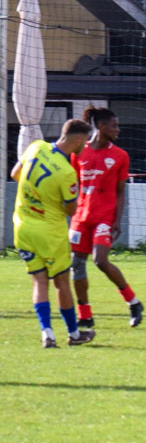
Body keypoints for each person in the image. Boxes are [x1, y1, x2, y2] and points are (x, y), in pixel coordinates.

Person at [11, 119, 92, 348]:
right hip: (50, 233)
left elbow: (15, 173)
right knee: (61, 282)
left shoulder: (36, 146)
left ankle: (47, 333)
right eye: (85, 141)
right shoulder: (67, 172)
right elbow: (71, 209)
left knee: (39, 281)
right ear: (78, 140)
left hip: (23, 226)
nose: (85, 146)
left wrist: (35, 196)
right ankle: (74, 334)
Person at [69, 105, 142, 335]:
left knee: (100, 260)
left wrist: (117, 220)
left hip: (104, 216)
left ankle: (133, 302)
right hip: (81, 217)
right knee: (76, 265)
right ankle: (85, 315)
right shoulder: (79, 152)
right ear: (100, 126)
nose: (118, 129)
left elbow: (120, 191)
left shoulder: (120, 156)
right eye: (114, 125)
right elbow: (73, 185)